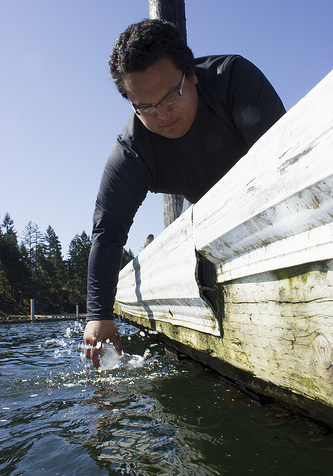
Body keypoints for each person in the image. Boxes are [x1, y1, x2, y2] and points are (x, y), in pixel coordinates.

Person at [83, 19, 285, 368]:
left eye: (169, 96)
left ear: (190, 73)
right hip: (210, 220)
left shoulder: (233, 80)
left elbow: (283, 164)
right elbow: (108, 232)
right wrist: (99, 314)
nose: (161, 114)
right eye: (144, 107)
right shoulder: (133, 150)